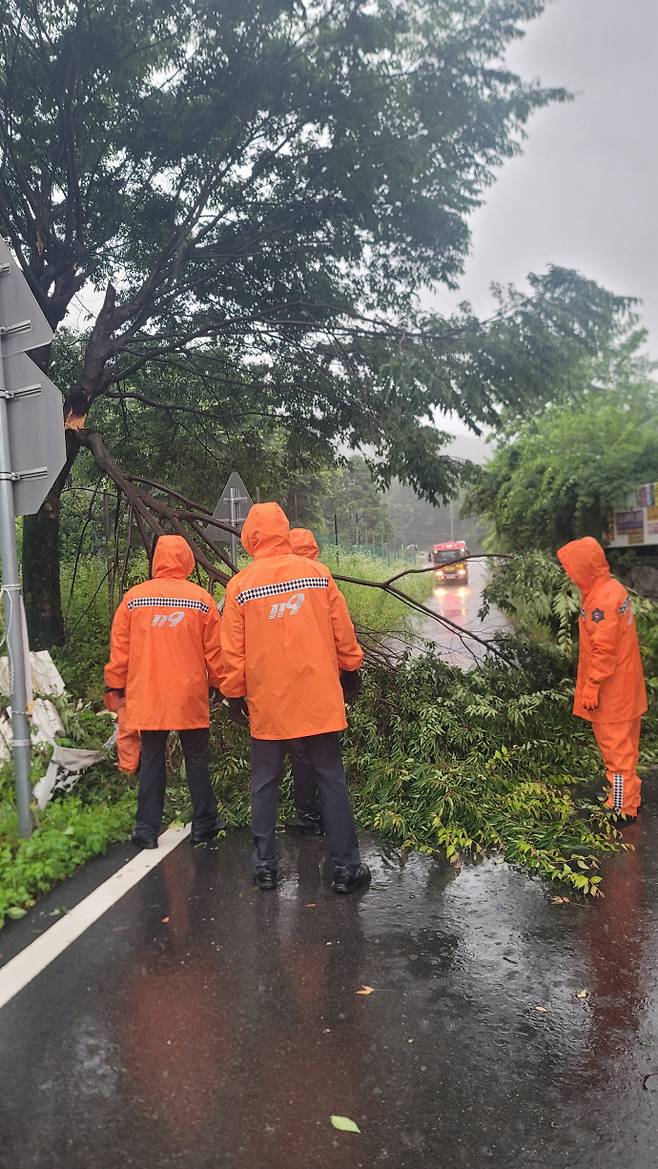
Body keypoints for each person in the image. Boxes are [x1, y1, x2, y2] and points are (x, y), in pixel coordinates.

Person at [220, 502, 370, 894]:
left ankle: (265, 867)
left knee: (264, 783)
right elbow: (343, 633)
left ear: (250, 536)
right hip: (318, 697)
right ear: (285, 531)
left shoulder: (240, 587)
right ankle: (345, 869)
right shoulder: (317, 575)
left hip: (269, 703)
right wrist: (351, 671)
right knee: (331, 780)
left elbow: (232, 654)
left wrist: (234, 695)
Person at [104, 534, 224, 848]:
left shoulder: (134, 599)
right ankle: (205, 825)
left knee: (152, 758)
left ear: (157, 560)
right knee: (196, 759)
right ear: (187, 560)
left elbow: (120, 652)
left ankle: (146, 830)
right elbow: (216, 654)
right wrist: (221, 687)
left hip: (149, 694)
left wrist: (115, 687)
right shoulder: (200, 600)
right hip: (189, 695)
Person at [557, 537, 647, 818]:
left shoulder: (601, 601)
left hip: (612, 693)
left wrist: (592, 685)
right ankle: (628, 797)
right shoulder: (611, 589)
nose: (569, 573)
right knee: (626, 749)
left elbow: (603, 649)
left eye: (571, 568)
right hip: (625, 688)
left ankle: (622, 807)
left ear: (585, 567)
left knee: (616, 754)